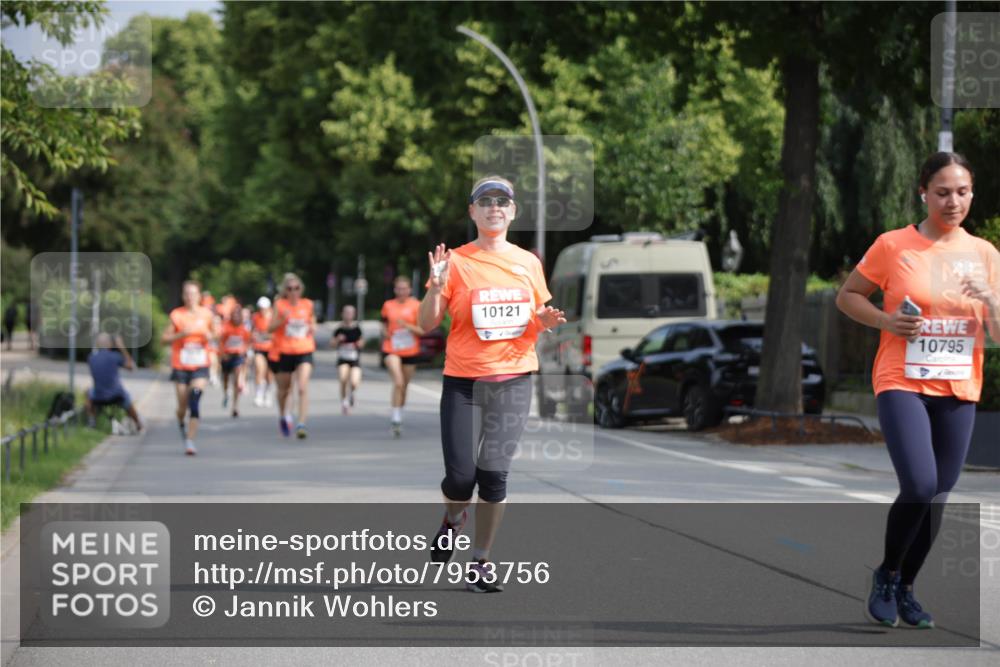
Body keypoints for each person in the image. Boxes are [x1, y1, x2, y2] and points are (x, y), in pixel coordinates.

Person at [836, 152, 1000, 628]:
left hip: (959, 386)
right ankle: (887, 574)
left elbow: (996, 334)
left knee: (939, 495)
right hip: (901, 380)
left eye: (963, 192)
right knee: (920, 485)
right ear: (923, 193)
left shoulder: (985, 254)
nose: (953, 201)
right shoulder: (893, 245)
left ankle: (906, 586)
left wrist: (991, 300)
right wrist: (886, 321)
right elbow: (848, 296)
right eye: (942, 192)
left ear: (972, 194)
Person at [419, 175, 565, 592]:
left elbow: (531, 320)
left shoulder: (528, 262)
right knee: (460, 480)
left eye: (502, 201)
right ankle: (453, 519)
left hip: (513, 379)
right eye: (485, 201)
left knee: (494, 474)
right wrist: (436, 288)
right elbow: (427, 323)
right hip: (463, 382)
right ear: (473, 212)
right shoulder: (455, 261)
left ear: (513, 211)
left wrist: (544, 322)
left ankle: (480, 561)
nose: (494, 207)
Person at [161, 280, 217, 456]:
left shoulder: (207, 314)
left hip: (200, 364)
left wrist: (210, 335)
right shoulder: (177, 315)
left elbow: (217, 334)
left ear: (199, 296)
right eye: (187, 293)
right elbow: (164, 339)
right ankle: (180, 420)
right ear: (183, 296)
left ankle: (190, 441)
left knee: (195, 397)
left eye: (193, 293)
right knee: (182, 406)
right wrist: (181, 334)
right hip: (181, 365)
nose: (190, 297)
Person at [268, 273, 316, 439]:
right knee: (284, 390)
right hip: (284, 351)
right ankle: (283, 415)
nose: (294, 291)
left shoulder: (307, 304)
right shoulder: (280, 305)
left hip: (304, 349)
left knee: (302, 387)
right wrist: (282, 319)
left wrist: (312, 327)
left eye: (296, 288)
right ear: (285, 291)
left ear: (301, 289)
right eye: (290, 289)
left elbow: (312, 321)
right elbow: (270, 328)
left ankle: (301, 424)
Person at [381, 276, 424, 437]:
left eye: (404, 288)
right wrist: (384, 332)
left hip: (410, 350)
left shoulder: (416, 305)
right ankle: (395, 418)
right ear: (394, 290)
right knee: (398, 382)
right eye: (398, 288)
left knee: (404, 386)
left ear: (410, 289)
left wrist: (407, 326)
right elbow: (383, 324)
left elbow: (422, 330)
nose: (401, 291)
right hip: (391, 349)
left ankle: (399, 410)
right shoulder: (388, 305)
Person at [85, 333, 142, 432]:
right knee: (126, 397)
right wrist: (122, 347)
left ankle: (92, 421)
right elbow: (132, 367)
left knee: (88, 392)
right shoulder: (115, 356)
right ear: (110, 344)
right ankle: (138, 424)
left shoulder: (91, 358)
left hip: (98, 396)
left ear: (97, 344)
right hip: (116, 395)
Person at [219, 306, 251, 418]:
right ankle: (226, 393)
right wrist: (223, 354)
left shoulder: (244, 329)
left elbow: (247, 342)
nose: (236, 318)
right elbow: (220, 341)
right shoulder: (225, 327)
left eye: (238, 316)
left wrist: (245, 352)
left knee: (237, 380)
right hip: (227, 356)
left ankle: (235, 406)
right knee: (225, 379)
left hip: (238, 356)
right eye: (234, 315)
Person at [332, 304, 364, 414]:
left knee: (354, 382)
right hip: (343, 358)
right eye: (346, 312)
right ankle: (344, 402)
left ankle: (352, 394)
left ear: (354, 314)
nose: (348, 315)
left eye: (350, 313)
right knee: (343, 378)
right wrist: (337, 339)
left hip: (354, 359)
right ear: (342, 314)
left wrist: (359, 344)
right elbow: (332, 344)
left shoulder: (357, 329)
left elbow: (362, 342)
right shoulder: (339, 329)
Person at [252, 297, 275, 407]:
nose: (262, 310)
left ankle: (268, 393)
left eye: (264, 308)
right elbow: (252, 330)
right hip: (259, 348)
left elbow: (276, 333)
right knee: (259, 369)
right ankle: (259, 394)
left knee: (269, 374)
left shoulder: (273, 317)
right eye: (260, 308)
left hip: (271, 349)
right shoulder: (255, 317)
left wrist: (266, 335)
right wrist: (254, 335)